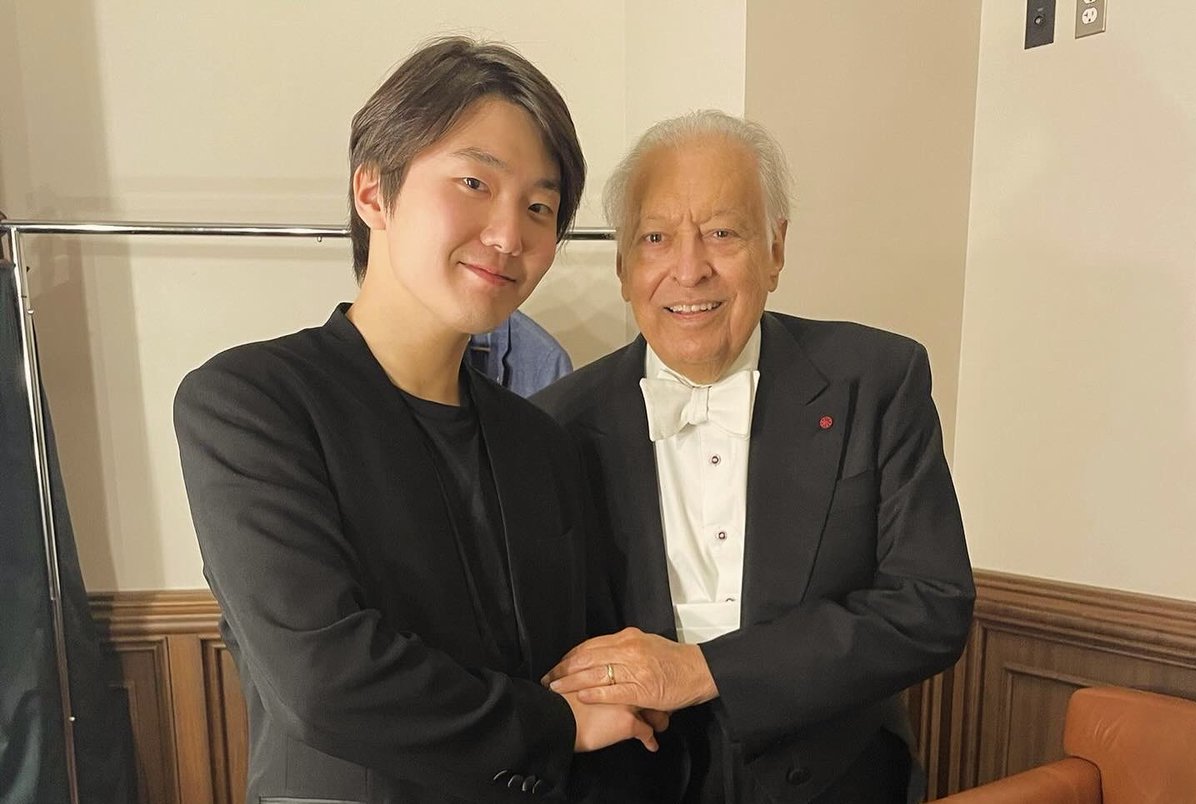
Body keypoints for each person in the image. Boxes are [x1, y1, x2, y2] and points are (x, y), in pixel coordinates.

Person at [174, 38, 661, 804]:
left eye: (539, 207)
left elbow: (580, 661)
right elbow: (325, 681)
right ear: (374, 192)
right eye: (475, 182)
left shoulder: (542, 439)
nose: (509, 235)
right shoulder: (251, 401)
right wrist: (556, 724)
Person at [534, 110, 975, 803]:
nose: (689, 268)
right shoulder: (553, 423)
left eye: (722, 232)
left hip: (838, 780)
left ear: (775, 249)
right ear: (624, 265)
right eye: (656, 237)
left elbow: (931, 606)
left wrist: (705, 670)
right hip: (632, 778)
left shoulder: (878, 378)